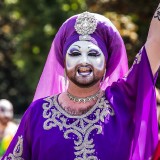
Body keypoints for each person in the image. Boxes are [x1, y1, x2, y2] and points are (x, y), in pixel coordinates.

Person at [2, 3, 160, 160]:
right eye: (75, 53)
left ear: (106, 63)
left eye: (93, 54)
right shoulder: (38, 113)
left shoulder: (122, 101)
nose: (84, 61)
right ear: (64, 61)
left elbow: (156, 41)